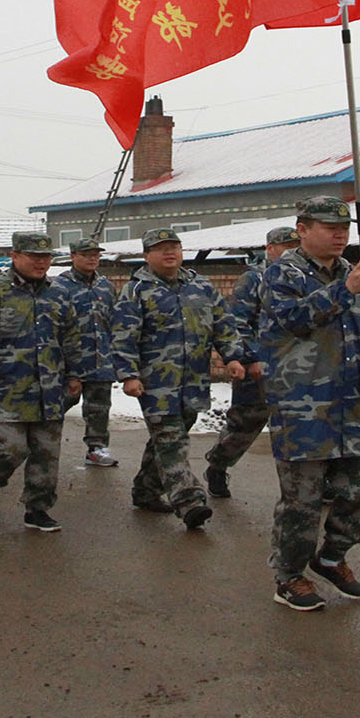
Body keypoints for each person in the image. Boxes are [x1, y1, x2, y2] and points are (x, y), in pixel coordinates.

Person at [258, 196, 360, 613]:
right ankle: (289, 576)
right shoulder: (282, 273)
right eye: (328, 227)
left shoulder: (358, 274)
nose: (340, 234)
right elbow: (293, 319)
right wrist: (343, 290)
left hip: (354, 404)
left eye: (344, 228)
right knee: (303, 499)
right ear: (302, 229)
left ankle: (333, 554)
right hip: (304, 404)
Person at [111, 227, 248, 530]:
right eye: (161, 248)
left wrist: (233, 357)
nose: (170, 252)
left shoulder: (201, 286)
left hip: (194, 381)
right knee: (172, 442)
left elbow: (223, 325)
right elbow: (123, 337)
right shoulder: (136, 290)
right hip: (155, 383)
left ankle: (146, 491)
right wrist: (129, 375)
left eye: (175, 246)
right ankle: (189, 501)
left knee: (165, 440)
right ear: (147, 256)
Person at [0, 232, 85, 532]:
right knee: (9, 450)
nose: (41, 263)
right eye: (34, 256)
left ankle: (37, 509)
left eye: (46, 257)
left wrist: (75, 374)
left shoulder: (59, 293)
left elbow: (71, 337)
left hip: (49, 389)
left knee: (46, 454)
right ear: (15, 256)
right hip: (7, 389)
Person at [204, 226, 299, 498]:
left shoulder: (302, 276)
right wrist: (252, 357)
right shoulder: (255, 278)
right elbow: (238, 322)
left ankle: (308, 486)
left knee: (301, 427)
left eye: (296, 245)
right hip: (260, 365)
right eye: (286, 246)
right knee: (245, 424)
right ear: (270, 249)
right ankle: (218, 464)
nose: (292, 251)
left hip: (296, 367)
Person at [57, 238, 119, 468]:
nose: (93, 258)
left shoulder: (106, 285)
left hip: (100, 358)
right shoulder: (60, 286)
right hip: (71, 359)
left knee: (99, 408)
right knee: (59, 402)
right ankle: (37, 441)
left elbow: (114, 320)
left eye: (96, 254)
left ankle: (97, 448)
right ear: (73, 256)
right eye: (86, 254)